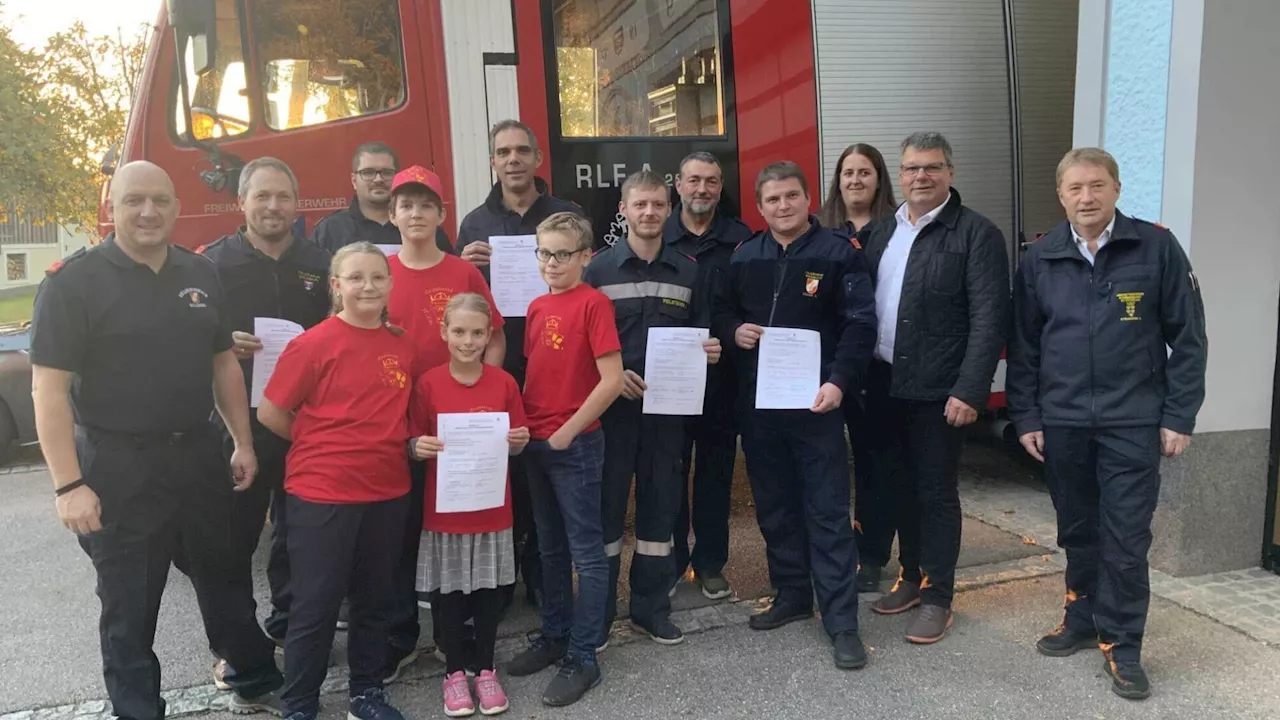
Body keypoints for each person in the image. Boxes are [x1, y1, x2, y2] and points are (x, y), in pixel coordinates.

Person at [29, 161, 284, 719]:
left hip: (197, 453)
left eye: (161, 201)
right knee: (130, 600)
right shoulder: (72, 282)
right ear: (112, 207)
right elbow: (47, 389)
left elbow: (222, 364)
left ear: (175, 206)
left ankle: (255, 673)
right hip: (117, 465)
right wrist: (68, 484)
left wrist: (242, 441)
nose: (149, 212)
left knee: (224, 576)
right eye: (134, 201)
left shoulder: (199, 272)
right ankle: (138, 708)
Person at [1007, 147, 1207, 700]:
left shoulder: (1155, 248)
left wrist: (1178, 415)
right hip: (1063, 421)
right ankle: (1081, 617)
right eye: (1075, 188)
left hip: (1133, 423)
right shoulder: (1040, 257)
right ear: (1061, 195)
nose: (1086, 197)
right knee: (1078, 529)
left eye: (1097, 186)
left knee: (1124, 538)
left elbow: (1188, 340)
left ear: (1117, 188)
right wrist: (1026, 415)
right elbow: (1023, 347)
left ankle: (1123, 645)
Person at [712, 161, 877, 670]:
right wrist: (735, 330)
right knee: (775, 506)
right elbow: (719, 311)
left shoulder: (838, 254)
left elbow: (860, 325)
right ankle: (791, 594)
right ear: (759, 209)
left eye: (790, 197)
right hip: (761, 409)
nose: (782, 207)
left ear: (808, 200)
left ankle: (842, 621)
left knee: (826, 511)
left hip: (817, 405)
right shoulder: (745, 255)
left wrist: (839, 383)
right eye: (772, 200)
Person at [858, 132, 1009, 644]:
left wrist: (971, 391)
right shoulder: (883, 232)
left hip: (940, 393)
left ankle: (940, 595)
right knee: (898, 486)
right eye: (911, 168)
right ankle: (911, 576)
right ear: (898, 175)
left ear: (950, 172)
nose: (921, 176)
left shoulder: (977, 235)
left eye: (932, 167)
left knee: (936, 493)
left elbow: (990, 320)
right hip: (884, 385)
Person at [257, 243, 417, 720]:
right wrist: (319, 444)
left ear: (390, 285)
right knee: (317, 604)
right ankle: (300, 703)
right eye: (355, 278)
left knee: (373, 600)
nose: (367, 286)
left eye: (376, 277)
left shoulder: (401, 345)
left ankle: (365, 693)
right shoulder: (312, 344)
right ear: (336, 286)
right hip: (322, 493)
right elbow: (270, 412)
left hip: (388, 491)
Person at [197, 157, 333, 658]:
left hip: (303, 424)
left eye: (283, 197)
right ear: (242, 202)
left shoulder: (320, 263)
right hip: (238, 427)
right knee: (234, 542)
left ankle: (291, 627)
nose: (273, 207)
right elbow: (184, 338)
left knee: (299, 536)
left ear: (297, 205)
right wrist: (218, 343)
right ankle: (238, 648)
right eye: (263, 196)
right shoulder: (211, 263)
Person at [586, 170, 723, 647]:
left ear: (669, 210)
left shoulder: (688, 270)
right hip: (612, 414)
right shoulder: (597, 271)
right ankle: (598, 616)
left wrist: (709, 349)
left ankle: (650, 608)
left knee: (660, 512)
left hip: (667, 413)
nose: (649, 213)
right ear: (623, 210)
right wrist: (610, 376)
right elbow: (583, 345)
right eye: (639, 204)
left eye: (657, 205)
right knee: (605, 514)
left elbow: (702, 329)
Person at [383, 164, 508, 682]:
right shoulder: (379, 271)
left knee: (451, 531)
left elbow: (495, 336)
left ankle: (453, 640)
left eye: (426, 204)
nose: (416, 213)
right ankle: (400, 635)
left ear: (441, 214)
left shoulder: (463, 272)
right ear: (392, 215)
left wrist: (480, 395)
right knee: (400, 534)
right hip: (395, 427)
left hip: (460, 437)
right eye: (406, 205)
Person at [456, 119, 582, 608]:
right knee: (501, 475)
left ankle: (544, 578)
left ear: (537, 159)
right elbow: (460, 300)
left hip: (557, 366)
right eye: (503, 152)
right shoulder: (474, 223)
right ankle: (500, 579)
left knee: (547, 476)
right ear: (493, 161)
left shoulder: (567, 213)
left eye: (521, 150)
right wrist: (466, 260)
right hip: (498, 365)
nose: (513, 159)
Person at [504, 212, 623, 707]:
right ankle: (554, 634)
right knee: (549, 548)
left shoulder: (594, 304)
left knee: (586, 555)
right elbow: (538, 375)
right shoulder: (535, 307)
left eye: (562, 253)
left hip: (573, 446)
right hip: (536, 442)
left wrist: (565, 434)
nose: (552, 263)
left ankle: (584, 655)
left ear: (585, 256)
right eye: (544, 253)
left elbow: (611, 380)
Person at [411, 292, 531, 717]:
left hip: (491, 508)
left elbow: (517, 440)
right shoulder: (428, 383)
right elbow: (413, 438)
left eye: (477, 333)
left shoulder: (503, 383)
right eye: (459, 331)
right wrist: (417, 446)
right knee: (448, 596)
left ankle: (485, 669)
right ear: (444, 332)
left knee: (487, 594)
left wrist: (520, 440)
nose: (467, 341)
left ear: (489, 336)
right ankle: (454, 674)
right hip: (444, 510)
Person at [664, 151, 751, 601]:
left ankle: (711, 563)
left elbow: (747, 306)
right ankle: (674, 563)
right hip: (671, 384)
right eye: (694, 179)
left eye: (711, 181)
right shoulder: (657, 235)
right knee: (671, 475)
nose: (703, 189)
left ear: (720, 187)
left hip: (722, 384)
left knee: (716, 477)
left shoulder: (741, 240)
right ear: (677, 184)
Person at [818, 142, 899, 593]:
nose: (855, 180)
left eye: (864, 172)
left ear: (878, 177)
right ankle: (835, 546)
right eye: (847, 172)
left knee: (875, 462)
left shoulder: (897, 229)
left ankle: (872, 554)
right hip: (831, 364)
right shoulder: (821, 228)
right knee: (830, 462)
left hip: (878, 367)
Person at [311, 141, 451, 255]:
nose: (378, 179)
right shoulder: (330, 229)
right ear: (354, 181)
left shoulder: (423, 225)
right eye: (368, 172)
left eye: (387, 172)